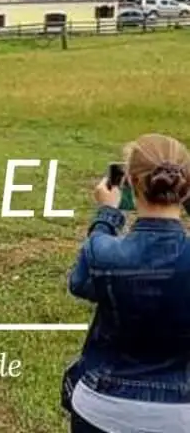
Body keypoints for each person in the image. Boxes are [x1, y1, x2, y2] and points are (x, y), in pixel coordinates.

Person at [64, 133, 190, 433]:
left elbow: (79, 283)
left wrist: (107, 214)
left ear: (131, 184)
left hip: (102, 406)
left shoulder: (103, 250)